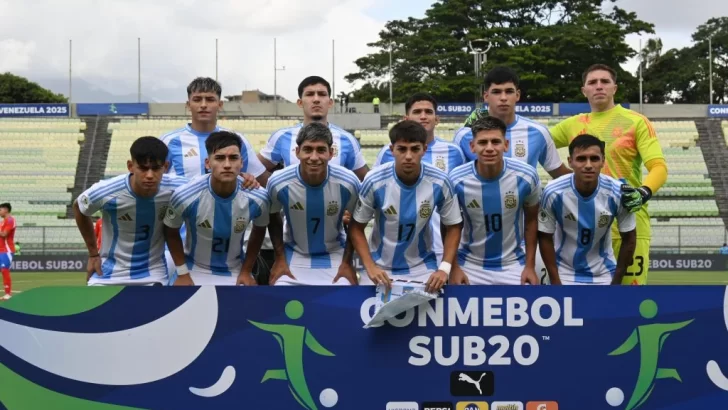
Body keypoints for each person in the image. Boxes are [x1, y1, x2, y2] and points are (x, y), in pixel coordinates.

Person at [549, 64, 667, 285]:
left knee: (629, 302)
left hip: (629, 224)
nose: (599, 86)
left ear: (615, 88)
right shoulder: (572, 124)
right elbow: (532, 141)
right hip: (583, 229)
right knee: (584, 308)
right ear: (584, 90)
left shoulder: (636, 122)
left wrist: (643, 192)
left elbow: (659, 167)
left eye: (605, 81)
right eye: (592, 82)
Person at [349, 120, 463, 293]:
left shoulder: (440, 181)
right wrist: (370, 266)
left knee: (427, 318)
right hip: (378, 267)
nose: (408, 156)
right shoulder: (374, 180)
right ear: (392, 150)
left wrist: (445, 268)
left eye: (415, 149)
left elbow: (453, 226)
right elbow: (356, 228)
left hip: (422, 267)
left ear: (424, 149)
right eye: (402, 149)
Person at [74, 137, 186, 286]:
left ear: (165, 167)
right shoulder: (107, 191)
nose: (150, 175)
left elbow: (206, 186)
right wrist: (93, 253)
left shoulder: (178, 187)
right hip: (107, 274)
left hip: (153, 275)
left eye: (156, 168)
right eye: (143, 168)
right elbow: (79, 207)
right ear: (130, 166)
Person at [164, 131, 269, 286]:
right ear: (208, 163)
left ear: (242, 162)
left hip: (236, 270)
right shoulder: (186, 195)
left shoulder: (258, 197)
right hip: (194, 269)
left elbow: (259, 230)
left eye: (233, 158)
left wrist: (246, 271)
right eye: (219, 158)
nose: (227, 165)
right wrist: (182, 272)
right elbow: (170, 230)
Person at [449, 116, 541, 285]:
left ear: (506, 145)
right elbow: (449, 225)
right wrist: (454, 268)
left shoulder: (526, 176)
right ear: (472, 146)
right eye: (483, 142)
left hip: (513, 264)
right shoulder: (456, 180)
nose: (489, 148)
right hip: (469, 264)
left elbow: (532, 220)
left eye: (495, 142)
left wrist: (530, 266)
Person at [374, 92, 465, 263]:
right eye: (417, 112)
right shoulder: (387, 153)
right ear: (406, 118)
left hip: (443, 247)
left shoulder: (454, 152)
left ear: (437, 119)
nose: (423, 116)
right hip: (400, 250)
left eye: (428, 112)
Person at [266, 122, 361, 286]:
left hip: (335, 253)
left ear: (331, 153)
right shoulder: (278, 182)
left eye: (321, 150)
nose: (314, 157)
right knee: (281, 289)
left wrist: (347, 263)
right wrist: (280, 258)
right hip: (294, 254)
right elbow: (273, 216)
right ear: (297, 152)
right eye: (308, 149)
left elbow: (356, 221)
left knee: (343, 292)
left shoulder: (348, 182)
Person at [538, 134, 637, 285]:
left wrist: (616, 282)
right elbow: (544, 237)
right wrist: (555, 281)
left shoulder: (618, 192)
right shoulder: (553, 192)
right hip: (562, 272)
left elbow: (629, 238)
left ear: (603, 161)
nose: (588, 165)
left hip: (604, 273)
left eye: (594, 159)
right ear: (570, 161)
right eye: (581, 159)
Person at [454, 66, 570, 177]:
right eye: (496, 92)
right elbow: (452, 178)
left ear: (517, 95)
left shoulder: (538, 132)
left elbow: (558, 172)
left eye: (509, 91)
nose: (503, 97)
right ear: (486, 96)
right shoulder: (464, 135)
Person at [258, 76, 369, 181]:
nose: (316, 99)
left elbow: (366, 179)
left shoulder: (347, 139)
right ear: (300, 102)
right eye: (310, 94)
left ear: (330, 102)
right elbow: (255, 169)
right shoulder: (281, 137)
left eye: (322, 94)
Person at [161, 77, 268, 185]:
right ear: (188, 105)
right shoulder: (168, 141)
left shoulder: (237, 139)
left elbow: (258, 178)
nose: (203, 105)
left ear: (220, 105)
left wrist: (248, 179)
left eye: (210, 99)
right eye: (197, 100)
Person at [0, 203, 16, 300]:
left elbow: (4, 234)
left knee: (4, 270)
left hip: (7, 250)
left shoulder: (10, 220)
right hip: (1, 250)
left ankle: (8, 294)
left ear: (6, 210)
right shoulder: (2, 222)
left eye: (0, 210)